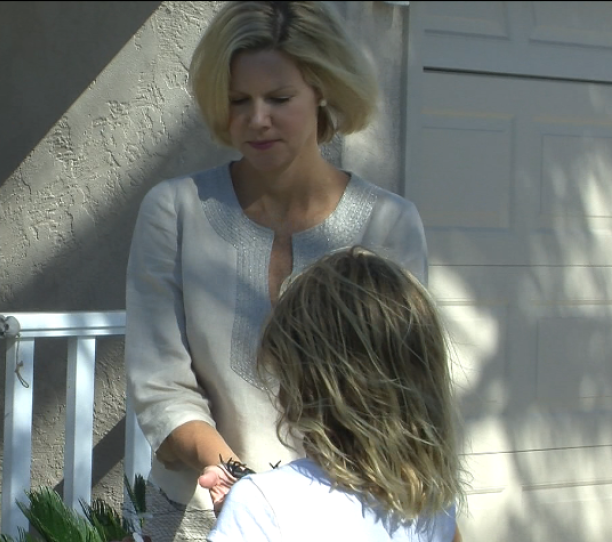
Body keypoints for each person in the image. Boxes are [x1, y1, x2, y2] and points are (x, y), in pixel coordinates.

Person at [124, 1, 429, 540]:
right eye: (238, 100)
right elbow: (159, 386)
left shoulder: (389, 223)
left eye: (279, 98)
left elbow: (395, 397)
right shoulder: (173, 210)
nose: (256, 118)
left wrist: (288, 504)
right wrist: (238, 483)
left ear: (323, 91)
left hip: (344, 516)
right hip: (198, 513)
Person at [206, 247, 464, 541]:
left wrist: (249, 513)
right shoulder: (430, 500)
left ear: (303, 388)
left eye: (283, 376)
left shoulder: (261, 502)